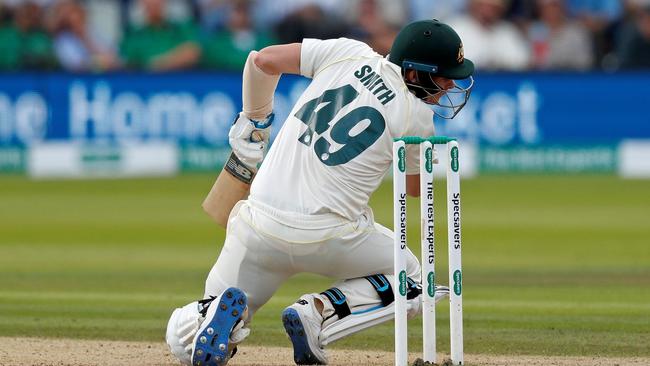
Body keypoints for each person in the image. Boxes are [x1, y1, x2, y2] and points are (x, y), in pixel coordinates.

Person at [165, 19, 474, 366]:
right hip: (329, 237)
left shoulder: (347, 52)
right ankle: (316, 312)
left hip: (257, 228)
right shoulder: (416, 115)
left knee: (184, 341)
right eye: (444, 76)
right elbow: (415, 189)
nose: (449, 85)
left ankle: (217, 315)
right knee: (413, 279)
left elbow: (262, 60)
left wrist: (256, 121)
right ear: (414, 74)